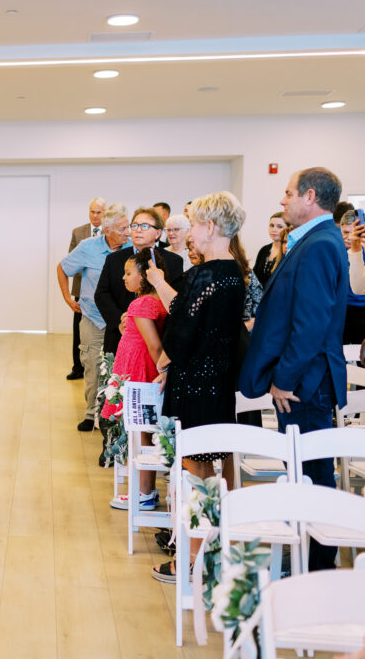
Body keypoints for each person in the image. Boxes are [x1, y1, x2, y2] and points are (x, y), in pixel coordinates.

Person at [240, 168, 347, 572]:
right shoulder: (314, 239)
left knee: (314, 477)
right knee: (303, 473)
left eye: (288, 193)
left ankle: (318, 569)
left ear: (310, 196)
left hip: (305, 384)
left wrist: (283, 379)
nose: (282, 201)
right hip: (307, 380)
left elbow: (311, 325)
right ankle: (305, 558)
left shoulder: (318, 244)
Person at [149, 191, 247, 583]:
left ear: (210, 227)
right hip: (219, 380)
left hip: (195, 381)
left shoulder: (203, 274)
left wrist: (164, 359)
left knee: (193, 472)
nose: (191, 234)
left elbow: (183, 329)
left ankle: (191, 559)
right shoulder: (233, 273)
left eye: (195, 226)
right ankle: (208, 552)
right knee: (209, 471)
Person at [57, 206, 131, 432]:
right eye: (122, 228)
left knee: (120, 367)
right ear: (106, 230)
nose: (128, 232)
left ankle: (116, 414)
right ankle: (91, 413)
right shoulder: (88, 247)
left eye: (128, 226)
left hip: (123, 319)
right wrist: (68, 298)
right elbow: (62, 268)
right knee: (92, 365)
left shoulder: (132, 249)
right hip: (93, 317)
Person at [106, 248, 168, 511]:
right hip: (141, 370)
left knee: (140, 434)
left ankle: (144, 493)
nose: (124, 278)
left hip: (141, 373)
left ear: (144, 276)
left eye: (128, 273)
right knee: (142, 433)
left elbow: (154, 346)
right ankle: (146, 491)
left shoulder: (142, 303)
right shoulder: (153, 301)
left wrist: (159, 372)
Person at [94, 207, 185, 357]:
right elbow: (102, 294)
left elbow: (174, 299)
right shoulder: (115, 259)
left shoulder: (173, 261)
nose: (138, 230)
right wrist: (121, 320)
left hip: (158, 336)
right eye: (135, 225)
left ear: (158, 233)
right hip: (121, 336)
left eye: (144, 226)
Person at [66, 198, 105, 380]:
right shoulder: (78, 232)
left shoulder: (110, 233)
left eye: (99, 212)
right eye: (92, 211)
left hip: (104, 289)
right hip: (82, 289)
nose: (95, 216)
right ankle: (78, 367)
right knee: (79, 330)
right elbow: (71, 260)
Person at [340, 210, 365, 343]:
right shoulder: (336, 251)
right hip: (342, 310)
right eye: (345, 232)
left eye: (353, 232)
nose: (349, 237)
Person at [251, 212, 287, 286]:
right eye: (271, 225)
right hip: (260, 296)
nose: (274, 230)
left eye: (279, 227)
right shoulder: (264, 249)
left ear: (287, 229)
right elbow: (254, 276)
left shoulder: (287, 251)